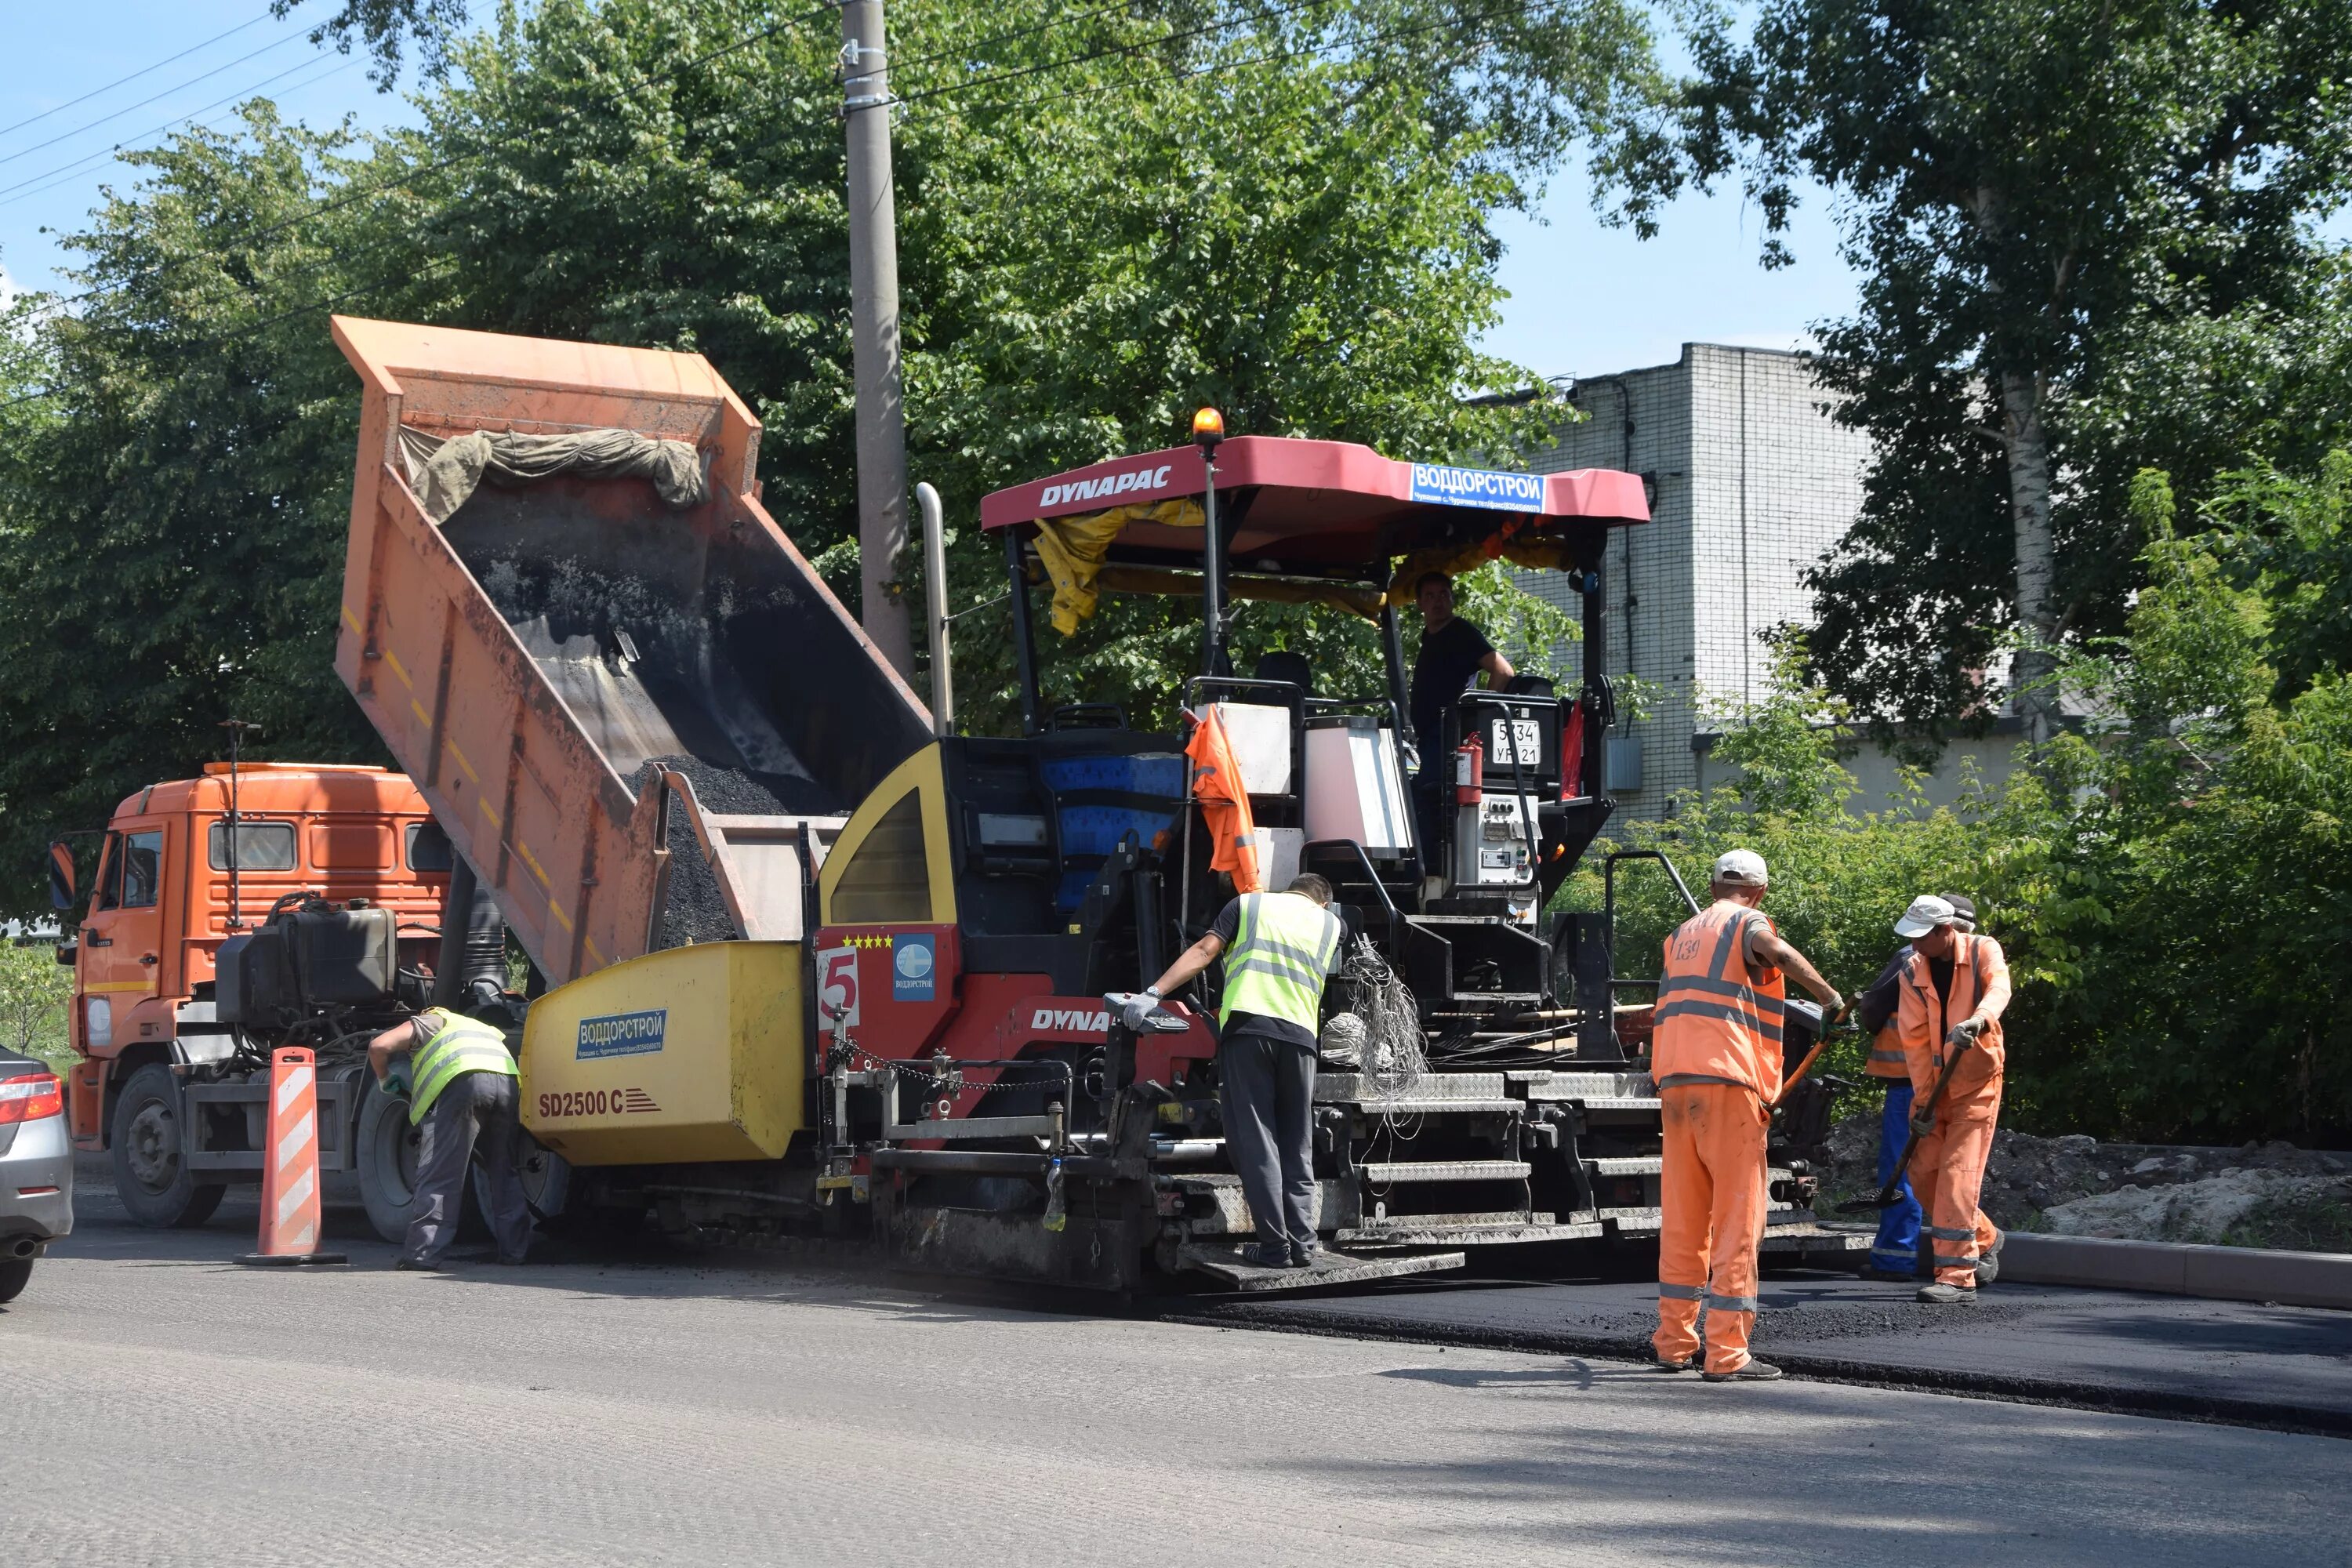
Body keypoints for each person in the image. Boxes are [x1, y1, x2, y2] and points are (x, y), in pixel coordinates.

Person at [1650, 850, 1845, 1381]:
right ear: (1757, 891)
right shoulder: (1747, 923)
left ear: (1712, 886)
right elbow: (1773, 951)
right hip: (1729, 1086)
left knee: (1685, 1221)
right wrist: (1829, 998)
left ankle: (1673, 1344)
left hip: (1675, 1084)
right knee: (1737, 1221)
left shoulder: (1681, 934)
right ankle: (1728, 1356)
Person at [1127, 873, 1344, 1269]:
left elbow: (1206, 950)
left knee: (1257, 1140)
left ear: (1289, 889)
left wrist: (1153, 993)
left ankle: (1275, 1247)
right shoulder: (1332, 925)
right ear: (1323, 902)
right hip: (1301, 1039)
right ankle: (1304, 1245)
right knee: (1298, 1143)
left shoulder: (1249, 905)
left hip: (1249, 1032)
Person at [1889, 894, 2012, 1305]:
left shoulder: (1982, 950)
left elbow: (2000, 987)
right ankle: (1986, 1237)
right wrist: (1924, 1103)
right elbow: (1916, 1039)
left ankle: (1957, 1277)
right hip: (1936, 1089)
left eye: (1922, 938)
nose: (1916, 945)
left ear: (1946, 931)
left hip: (1976, 1085)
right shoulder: (1913, 971)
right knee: (1924, 1177)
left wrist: (1979, 1018)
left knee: (1957, 1177)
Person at [367, 1004, 534, 1271]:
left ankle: (423, 1255)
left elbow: (378, 1046)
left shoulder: (431, 1020)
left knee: (442, 1172)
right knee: (504, 1170)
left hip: (464, 1083)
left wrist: (385, 1078)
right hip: (508, 1084)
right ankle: (515, 1251)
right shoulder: (481, 1029)